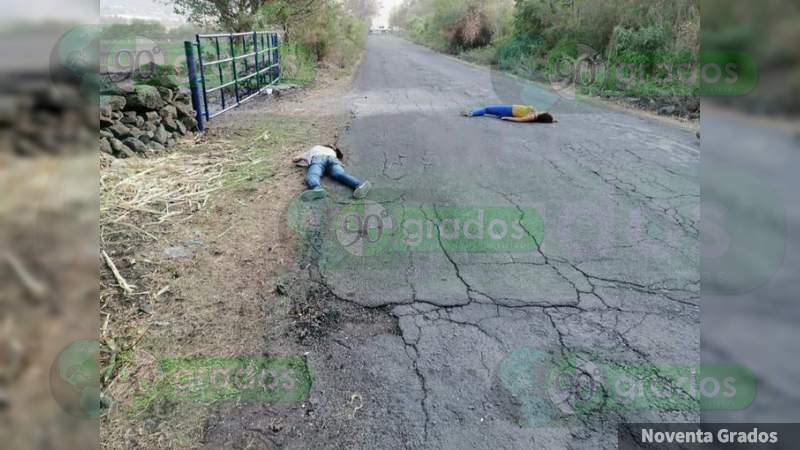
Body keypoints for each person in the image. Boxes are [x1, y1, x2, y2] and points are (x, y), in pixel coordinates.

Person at [292, 144, 372, 201]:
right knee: (340, 174)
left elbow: (295, 159)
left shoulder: (316, 148)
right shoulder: (332, 152)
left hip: (318, 158)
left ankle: (316, 188)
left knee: (314, 174)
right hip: (333, 159)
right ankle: (358, 185)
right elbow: (339, 160)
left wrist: (301, 158)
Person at [464, 104, 556, 123]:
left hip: (508, 111)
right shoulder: (535, 113)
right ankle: (473, 112)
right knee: (488, 108)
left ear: (543, 115)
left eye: (545, 112)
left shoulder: (532, 116)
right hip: (510, 107)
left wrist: (507, 118)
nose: (544, 110)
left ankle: (471, 114)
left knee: (487, 109)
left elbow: (520, 119)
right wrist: (552, 120)